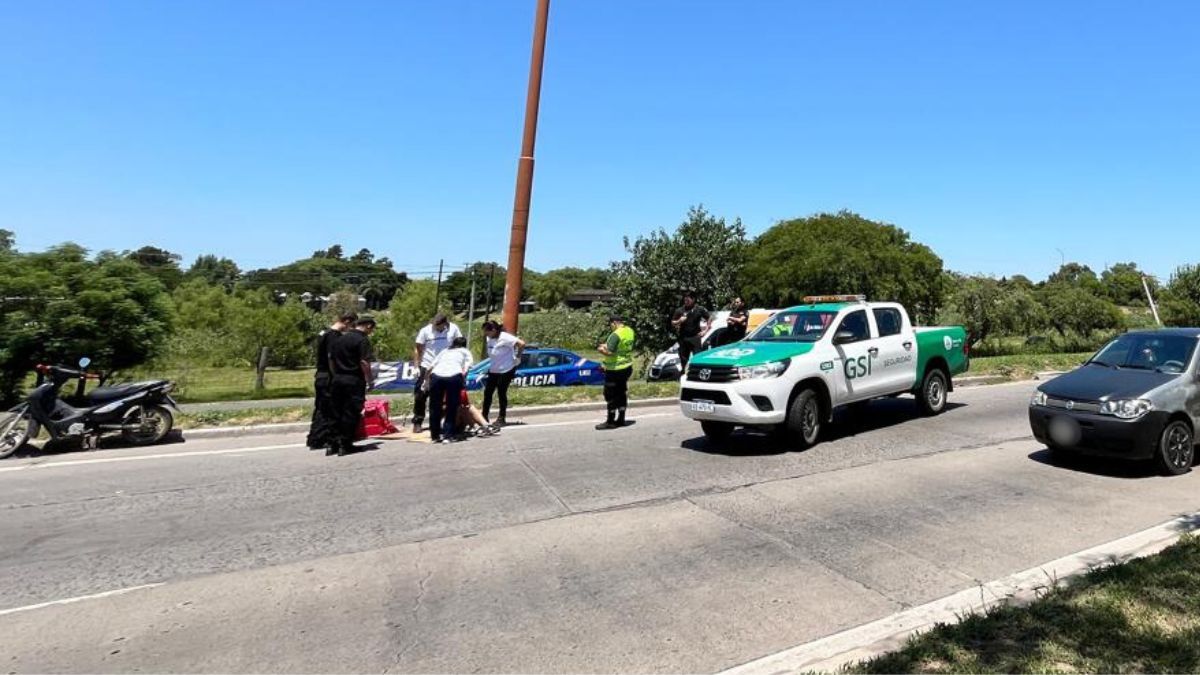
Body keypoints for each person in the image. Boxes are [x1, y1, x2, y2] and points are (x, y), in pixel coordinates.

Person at [306, 311, 357, 450]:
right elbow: (331, 358)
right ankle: (327, 439)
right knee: (331, 409)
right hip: (328, 376)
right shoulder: (334, 337)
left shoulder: (324, 333)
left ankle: (315, 438)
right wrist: (335, 376)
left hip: (320, 375)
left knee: (321, 408)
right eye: (351, 325)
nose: (350, 329)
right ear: (346, 321)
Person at [328, 316, 376, 457]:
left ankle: (332, 444)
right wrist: (370, 380)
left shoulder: (340, 338)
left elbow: (331, 358)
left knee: (336, 412)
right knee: (350, 412)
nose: (370, 332)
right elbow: (364, 362)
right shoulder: (362, 340)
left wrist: (335, 374)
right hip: (353, 380)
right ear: (368, 326)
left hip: (337, 379)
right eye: (371, 329)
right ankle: (345, 444)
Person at [412, 313, 463, 434]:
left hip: (446, 366)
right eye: (434, 325)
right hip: (427, 365)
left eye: (438, 325)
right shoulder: (425, 331)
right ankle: (417, 421)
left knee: (439, 397)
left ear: (445, 323)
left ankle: (436, 423)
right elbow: (418, 349)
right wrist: (416, 366)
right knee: (420, 394)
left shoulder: (453, 329)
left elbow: (460, 344)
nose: (435, 327)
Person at [423, 335, 473, 444]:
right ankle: (448, 435)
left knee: (435, 407)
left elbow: (430, 367)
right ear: (464, 345)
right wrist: (463, 381)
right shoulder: (465, 351)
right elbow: (466, 368)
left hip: (436, 376)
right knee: (452, 406)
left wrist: (425, 382)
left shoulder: (445, 351)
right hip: (454, 376)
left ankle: (435, 436)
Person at [481, 320, 526, 426]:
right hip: (494, 369)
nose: (485, 334)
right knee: (487, 393)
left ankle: (502, 417)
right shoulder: (489, 338)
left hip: (506, 369)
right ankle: (484, 416)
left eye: (487, 332)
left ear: (494, 330)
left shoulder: (505, 337)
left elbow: (522, 344)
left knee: (501, 393)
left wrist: (518, 356)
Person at [596, 314, 635, 430]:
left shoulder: (615, 334)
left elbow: (610, 352)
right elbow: (620, 346)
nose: (611, 327)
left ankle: (610, 421)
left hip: (615, 370)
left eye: (611, 325)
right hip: (627, 367)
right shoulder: (629, 331)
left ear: (614, 323)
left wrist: (600, 350)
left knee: (610, 395)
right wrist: (607, 345)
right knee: (621, 392)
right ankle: (621, 418)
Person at [670, 292, 709, 372]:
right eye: (685, 300)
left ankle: (697, 373)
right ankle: (683, 373)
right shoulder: (680, 310)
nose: (686, 302)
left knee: (697, 356)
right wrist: (679, 321)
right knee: (683, 357)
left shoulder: (699, 309)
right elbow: (673, 322)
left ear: (693, 300)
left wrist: (705, 331)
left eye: (688, 300)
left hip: (695, 337)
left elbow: (709, 318)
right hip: (683, 337)